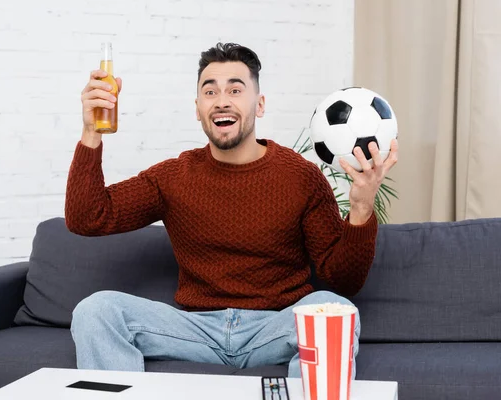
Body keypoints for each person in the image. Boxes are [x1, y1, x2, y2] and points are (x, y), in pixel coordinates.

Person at [65, 42, 398, 378]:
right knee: (97, 310)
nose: (222, 100)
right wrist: (91, 132)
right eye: (210, 92)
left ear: (260, 104)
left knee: (337, 311)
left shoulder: (301, 176)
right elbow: (87, 218)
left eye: (235, 89)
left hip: (275, 327)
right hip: (195, 329)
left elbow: (343, 280)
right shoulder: (173, 177)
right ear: (198, 109)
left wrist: (360, 206)